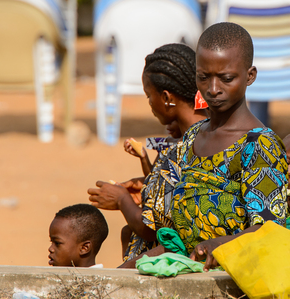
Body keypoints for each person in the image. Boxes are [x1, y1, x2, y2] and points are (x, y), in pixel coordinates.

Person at [117, 22, 289, 270]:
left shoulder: (259, 145)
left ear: (250, 76)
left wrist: (223, 244)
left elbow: (270, 229)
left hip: (231, 276)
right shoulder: (193, 137)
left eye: (226, 78)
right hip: (182, 266)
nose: (213, 89)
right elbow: (170, 228)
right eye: (203, 77)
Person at [88, 43, 208, 262]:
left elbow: (150, 229)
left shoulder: (179, 150)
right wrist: (148, 184)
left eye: (148, 96)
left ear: (166, 97)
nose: (150, 104)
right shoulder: (215, 133)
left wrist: (121, 199)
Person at [48, 203, 108, 268]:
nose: (50, 249)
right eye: (51, 242)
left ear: (84, 248)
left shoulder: (106, 277)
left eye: (57, 243)